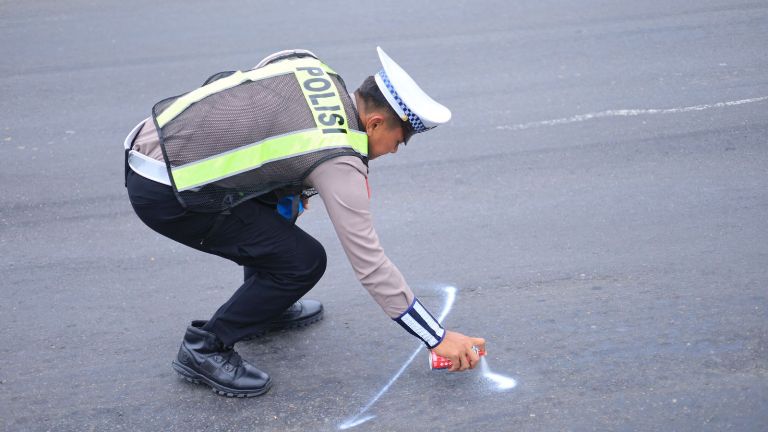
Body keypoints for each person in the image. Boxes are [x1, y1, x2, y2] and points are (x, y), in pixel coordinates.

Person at [124, 47, 486, 397]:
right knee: (303, 262)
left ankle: (265, 306)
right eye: (399, 141)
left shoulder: (310, 65)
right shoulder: (339, 160)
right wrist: (436, 337)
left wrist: (290, 184)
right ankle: (205, 346)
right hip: (167, 192)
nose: (394, 150)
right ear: (376, 123)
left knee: (287, 201)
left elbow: (252, 95)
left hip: (154, 138)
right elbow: (371, 265)